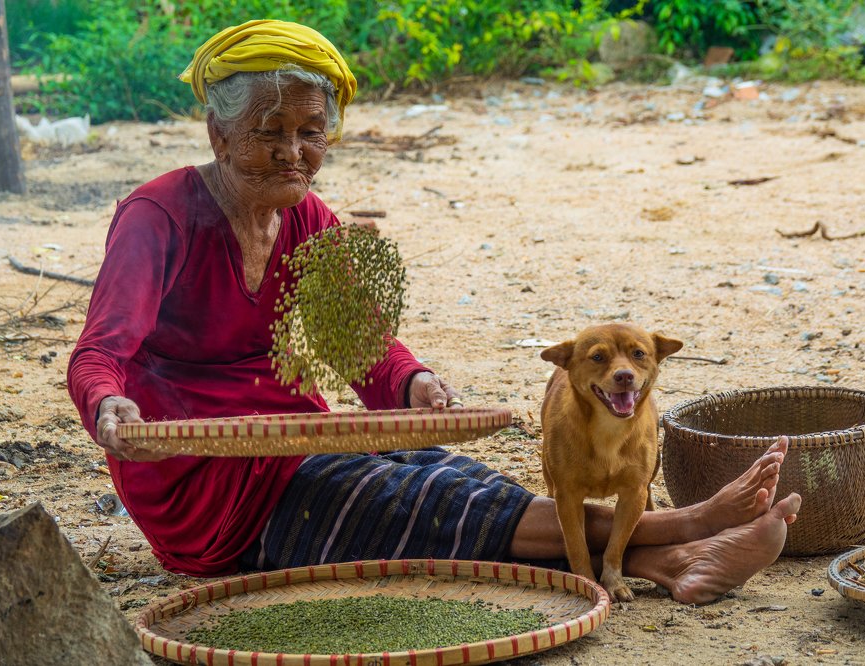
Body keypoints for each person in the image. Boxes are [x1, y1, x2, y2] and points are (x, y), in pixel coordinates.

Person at [67, 19, 801, 605]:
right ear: (218, 133)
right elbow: (100, 353)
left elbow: (362, 350)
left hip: (299, 438)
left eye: (311, 131)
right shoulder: (157, 217)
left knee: (449, 476)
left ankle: (672, 564)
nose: (294, 152)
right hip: (207, 487)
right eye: (268, 132)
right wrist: (109, 408)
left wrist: (412, 383)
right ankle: (690, 525)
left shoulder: (307, 217)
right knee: (413, 502)